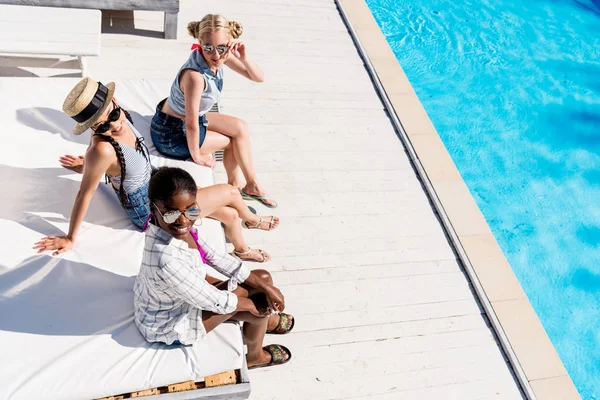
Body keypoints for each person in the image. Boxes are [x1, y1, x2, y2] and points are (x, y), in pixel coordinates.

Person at [33, 78, 278, 262]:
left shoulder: (121, 118)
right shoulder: (103, 149)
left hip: (159, 184)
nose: (114, 125)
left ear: (115, 102)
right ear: (94, 128)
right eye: (102, 126)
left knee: (231, 215)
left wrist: (85, 165)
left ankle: (241, 250)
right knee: (231, 193)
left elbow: (100, 149)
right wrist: (70, 237)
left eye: (114, 115)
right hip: (150, 211)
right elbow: (84, 194)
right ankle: (255, 221)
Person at [136, 166, 293, 369]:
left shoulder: (174, 228)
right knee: (259, 304)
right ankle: (256, 356)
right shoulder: (165, 258)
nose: (184, 221)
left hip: (184, 294)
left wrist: (266, 288)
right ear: (154, 209)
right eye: (171, 214)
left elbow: (215, 257)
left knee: (262, 281)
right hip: (170, 323)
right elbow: (214, 301)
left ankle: (265, 320)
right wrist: (255, 304)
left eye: (192, 210)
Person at [150, 14, 277, 208]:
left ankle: (250, 185)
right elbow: (192, 125)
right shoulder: (195, 77)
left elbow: (258, 77)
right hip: (171, 133)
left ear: (229, 44)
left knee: (240, 127)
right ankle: (236, 187)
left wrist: (244, 57)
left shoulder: (220, 58)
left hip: (184, 119)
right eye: (208, 47)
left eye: (221, 47)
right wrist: (197, 156)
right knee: (231, 142)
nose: (215, 54)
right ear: (200, 42)